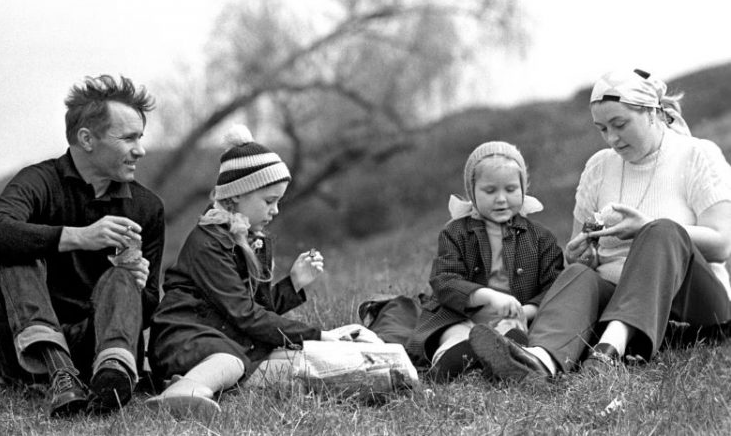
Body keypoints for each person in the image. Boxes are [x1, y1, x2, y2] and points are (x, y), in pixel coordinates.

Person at [470, 68, 731, 381]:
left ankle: (609, 350)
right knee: (578, 274)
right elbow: (577, 252)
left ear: (651, 113)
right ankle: (539, 361)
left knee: (661, 230)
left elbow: (722, 243)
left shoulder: (697, 155)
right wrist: (582, 253)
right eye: (602, 128)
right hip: (618, 300)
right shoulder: (599, 166)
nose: (612, 138)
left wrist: (646, 226)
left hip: (696, 309)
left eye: (620, 125)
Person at [146, 125, 378, 421]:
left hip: (231, 340)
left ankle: (197, 383)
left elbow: (260, 311)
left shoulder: (256, 239)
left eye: (278, 201)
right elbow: (244, 314)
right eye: (269, 201)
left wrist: (294, 283)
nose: (276, 210)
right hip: (185, 338)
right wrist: (317, 335)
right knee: (230, 362)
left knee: (294, 363)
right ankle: (182, 392)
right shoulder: (207, 243)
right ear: (234, 199)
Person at [0, 75, 165, 416]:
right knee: (14, 248)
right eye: (128, 138)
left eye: (140, 137)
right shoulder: (38, 181)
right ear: (87, 138)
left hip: (100, 350)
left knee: (124, 278)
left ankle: (110, 379)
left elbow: (150, 309)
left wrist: (138, 287)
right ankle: (59, 374)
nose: (140, 149)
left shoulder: (146, 207)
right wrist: (79, 236)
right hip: (28, 357)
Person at [405, 141, 563, 381]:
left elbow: (554, 285)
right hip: (461, 312)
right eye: (490, 191)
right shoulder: (456, 232)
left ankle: (505, 354)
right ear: (472, 191)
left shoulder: (541, 238)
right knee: (455, 332)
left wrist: (524, 310)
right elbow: (444, 279)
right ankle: (451, 356)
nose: (501, 199)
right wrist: (488, 296)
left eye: (510, 189)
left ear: (523, 188)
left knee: (511, 331)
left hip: (513, 316)